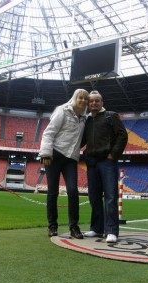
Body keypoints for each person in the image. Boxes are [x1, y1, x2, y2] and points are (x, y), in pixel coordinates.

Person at [39, 89, 89, 239]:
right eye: (81, 98)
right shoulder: (62, 111)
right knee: (52, 192)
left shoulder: (85, 118)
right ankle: (52, 226)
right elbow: (49, 132)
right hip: (54, 155)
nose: (83, 101)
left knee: (73, 191)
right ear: (75, 98)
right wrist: (46, 153)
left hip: (71, 159)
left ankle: (74, 227)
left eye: (86, 99)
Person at [82, 90, 128, 243]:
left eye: (97, 100)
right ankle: (96, 229)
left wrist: (113, 154)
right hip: (91, 162)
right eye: (91, 101)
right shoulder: (87, 120)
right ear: (88, 104)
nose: (94, 103)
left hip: (107, 161)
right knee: (94, 197)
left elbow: (123, 135)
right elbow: (81, 140)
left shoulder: (110, 116)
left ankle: (112, 231)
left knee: (110, 197)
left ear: (102, 103)